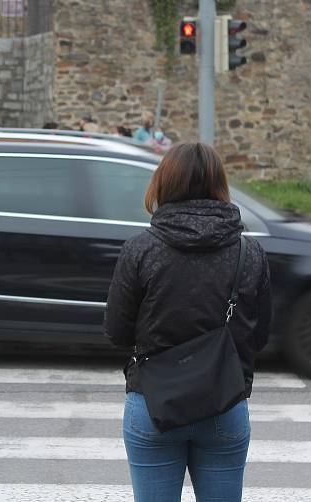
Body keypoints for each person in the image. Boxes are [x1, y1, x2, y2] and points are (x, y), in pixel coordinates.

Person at [104, 142, 272, 502]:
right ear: (220, 185)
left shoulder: (140, 249)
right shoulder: (250, 252)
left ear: (163, 183)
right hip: (224, 402)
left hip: (153, 402)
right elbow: (260, 335)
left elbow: (117, 332)